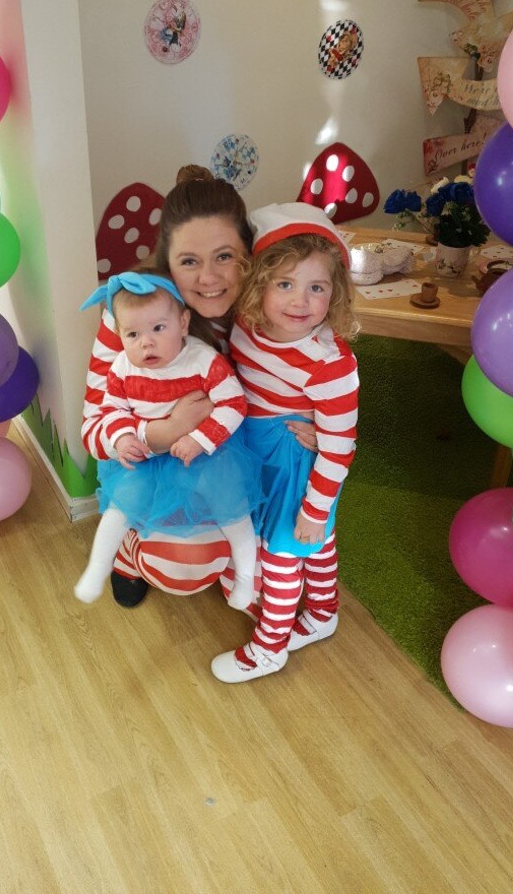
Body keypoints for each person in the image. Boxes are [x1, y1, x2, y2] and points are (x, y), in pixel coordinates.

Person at [81, 166, 317, 608]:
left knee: (251, 550)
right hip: (150, 460)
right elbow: (94, 427)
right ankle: (129, 554)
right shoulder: (131, 315)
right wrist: (163, 432)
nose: (208, 277)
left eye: (224, 256)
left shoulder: (276, 305)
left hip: (230, 452)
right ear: (166, 264)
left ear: (248, 255)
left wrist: (321, 424)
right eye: (189, 261)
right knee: (179, 567)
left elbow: (325, 372)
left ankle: (236, 559)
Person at [211, 203, 360, 682]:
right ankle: (322, 613)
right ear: (258, 286)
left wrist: (315, 509)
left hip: (299, 465)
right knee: (310, 547)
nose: (301, 301)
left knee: (285, 551)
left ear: (334, 293)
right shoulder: (246, 324)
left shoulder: (328, 362)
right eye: (286, 284)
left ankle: (270, 646)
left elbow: (339, 445)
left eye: (317, 287)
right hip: (259, 454)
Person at [75, 272, 261, 608]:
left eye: (158, 329)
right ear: (120, 334)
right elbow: (112, 408)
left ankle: (246, 577)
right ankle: (98, 567)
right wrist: (121, 437)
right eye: (133, 334)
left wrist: (200, 439)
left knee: (232, 511)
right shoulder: (121, 366)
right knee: (120, 508)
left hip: (207, 454)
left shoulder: (203, 360)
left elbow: (234, 404)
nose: (146, 342)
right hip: (151, 459)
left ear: (184, 323)